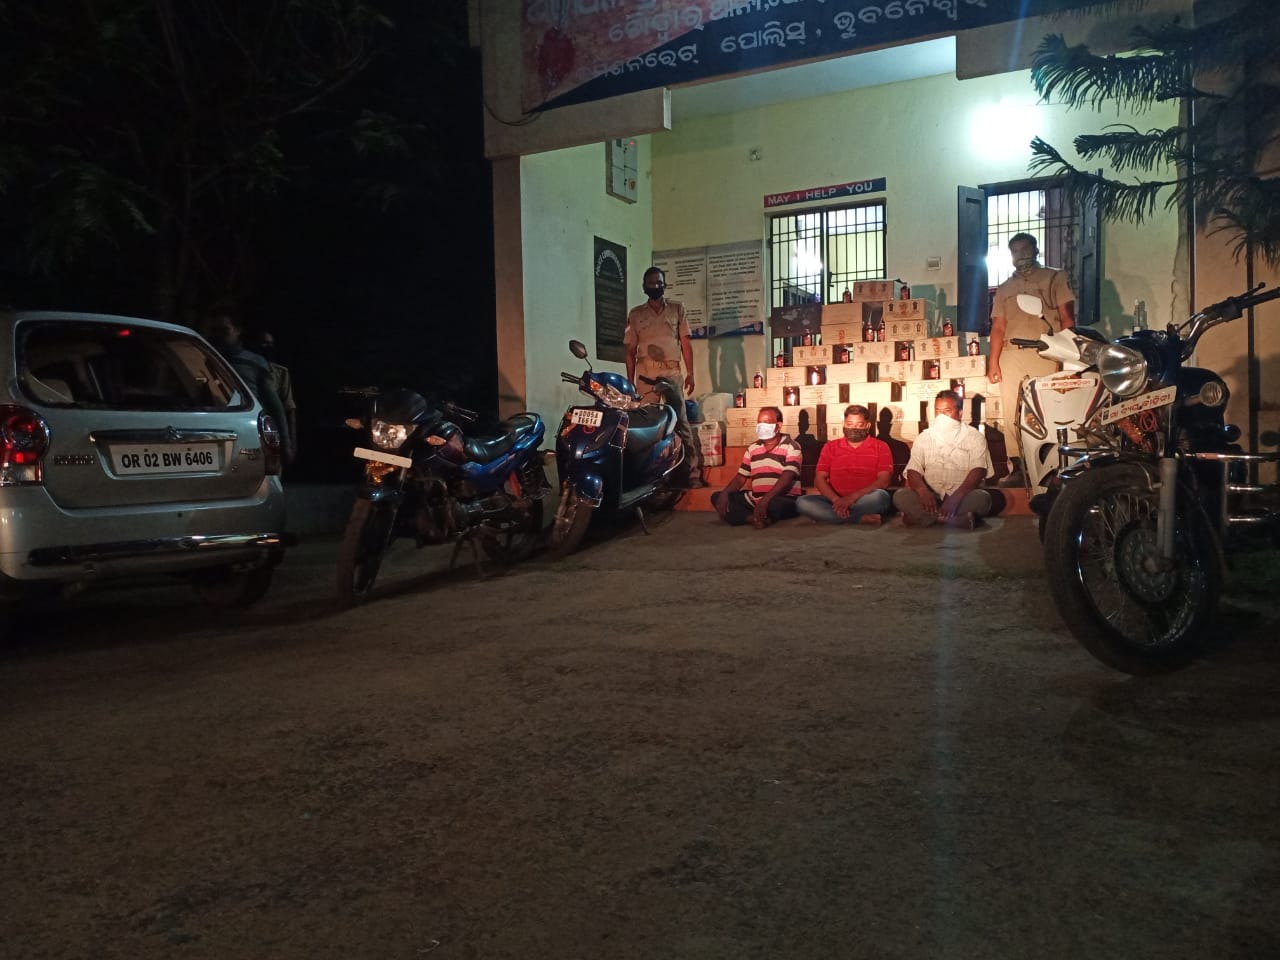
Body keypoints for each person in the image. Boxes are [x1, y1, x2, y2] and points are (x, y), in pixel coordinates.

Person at [988, 233, 1076, 485]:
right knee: (1012, 411)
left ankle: (1050, 467)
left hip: (1046, 352)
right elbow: (998, 327)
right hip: (1012, 355)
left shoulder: (1054, 277)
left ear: (1036, 250)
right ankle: (1018, 465)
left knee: (1047, 408)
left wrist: (1068, 355)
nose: (1021, 254)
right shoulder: (1005, 288)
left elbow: (1067, 318)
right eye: (1015, 250)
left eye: (1025, 249)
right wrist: (993, 363)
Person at [624, 266, 703, 487]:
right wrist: (630, 383)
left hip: (672, 372)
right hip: (646, 374)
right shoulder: (635, 314)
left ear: (665, 285)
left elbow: (685, 343)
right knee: (646, 426)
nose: (656, 286)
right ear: (644, 286)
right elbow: (629, 351)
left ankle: (691, 474)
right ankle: (650, 480)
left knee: (680, 422)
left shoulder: (677, 309)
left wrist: (691, 373)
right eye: (651, 283)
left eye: (659, 283)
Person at [892, 390, 994, 529]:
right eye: (938, 411)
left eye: (947, 411)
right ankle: (953, 520)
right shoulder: (924, 437)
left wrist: (956, 497)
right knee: (900, 496)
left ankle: (920, 518)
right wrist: (923, 492)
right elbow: (913, 469)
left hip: (961, 497)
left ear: (960, 413)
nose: (941, 416)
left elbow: (978, 469)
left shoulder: (975, 437)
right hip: (930, 498)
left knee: (982, 498)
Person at [206, 312, 294, 463]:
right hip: (216, 432)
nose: (219, 336)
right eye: (215, 330)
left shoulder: (254, 362)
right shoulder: (207, 360)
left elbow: (275, 406)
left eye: (224, 330)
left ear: (237, 330)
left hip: (248, 431)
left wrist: (285, 444)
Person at [796, 404, 892, 524]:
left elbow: (884, 480)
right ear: (843, 424)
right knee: (802, 502)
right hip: (834, 500)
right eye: (849, 424)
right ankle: (859, 518)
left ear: (867, 426)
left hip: (864, 499)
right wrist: (836, 500)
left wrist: (851, 498)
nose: (854, 428)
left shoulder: (881, 446)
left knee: (880, 497)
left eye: (859, 425)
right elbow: (819, 479)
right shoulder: (830, 447)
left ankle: (831, 516)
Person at [711, 407, 802, 527]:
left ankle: (752, 515)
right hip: (755, 498)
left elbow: (787, 476)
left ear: (778, 426)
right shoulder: (752, 448)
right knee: (718, 497)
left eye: (766, 422)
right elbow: (740, 478)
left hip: (781, 498)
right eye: (759, 422)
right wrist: (725, 493)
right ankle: (753, 518)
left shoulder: (792, 446)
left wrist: (766, 500)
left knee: (777, 506)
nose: (761, 426)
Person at [253, 329, 297, 458]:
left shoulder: (280, 372)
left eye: (270, 344)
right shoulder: (247, 369)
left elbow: (289, 408)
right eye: (264, 343)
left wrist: (291, 443)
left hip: (272, 432)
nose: (268, 347)